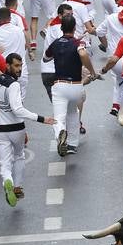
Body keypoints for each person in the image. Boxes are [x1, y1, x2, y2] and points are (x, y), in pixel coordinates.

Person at [0, 53, 55, 207]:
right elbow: (17, 109)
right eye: (16, 66)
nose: (19, 69)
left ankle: (8, 181)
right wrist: (42, 119)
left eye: (20, 66)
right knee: (19, 156)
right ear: (8, 65)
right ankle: (16, 187)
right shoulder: (14, 85)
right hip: (16, 128)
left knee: (5, 162)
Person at [43, 14, 95, 156]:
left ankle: (60, 132)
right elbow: (83, 55)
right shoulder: (79, 43)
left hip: (60, 85)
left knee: (59, 117)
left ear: (61, 28)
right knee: (73, 112)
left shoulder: (55, 43)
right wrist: (92, 71)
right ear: (74, 28)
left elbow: (46, 58)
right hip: (76, 86)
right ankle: (72, 144)